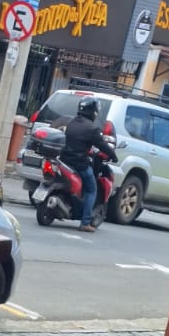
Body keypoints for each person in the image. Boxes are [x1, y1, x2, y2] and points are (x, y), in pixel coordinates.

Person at [61, 96, 114, 233]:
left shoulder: (71, 122)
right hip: (79, 163)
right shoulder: (92, 129)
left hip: (64, 160)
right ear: (93, 111)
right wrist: (113, 155)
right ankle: (85, 223)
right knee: (91, 189)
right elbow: (102, 145)